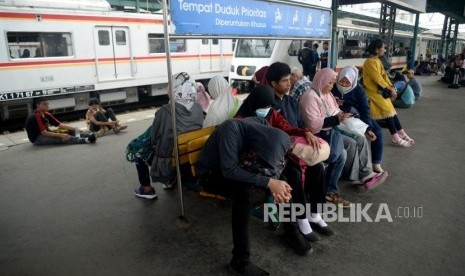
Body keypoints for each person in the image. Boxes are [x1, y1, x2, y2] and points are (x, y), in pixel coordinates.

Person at [196, 118, 293, 275]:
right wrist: (269, 182)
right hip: (211, 174)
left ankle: (292, 230)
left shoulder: (261, 126)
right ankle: (240, 262)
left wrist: (276, 185)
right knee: (242, 194)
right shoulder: (231, 129)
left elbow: (273, 162)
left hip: (240, 165)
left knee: (285, 181)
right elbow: (229, 170)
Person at [134, 72, 204, 199]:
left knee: (137, 151)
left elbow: (153, 139)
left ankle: (146, 188)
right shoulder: (198, 108)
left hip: (168, 161)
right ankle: (170, 181)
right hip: (188, 156)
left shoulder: (165, 111)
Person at [299, 68, 351, 207]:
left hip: (328, 133)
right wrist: (336, 119)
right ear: (321, 81)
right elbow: (313, 124)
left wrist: (340, 116)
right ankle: (327, 191)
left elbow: (334, 110)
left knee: (342, 154)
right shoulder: (310, 96)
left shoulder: (325, 94)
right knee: (338, 155)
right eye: (330, 83)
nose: (332, 87)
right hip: (315, 135)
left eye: (333, 83)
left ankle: (329, 190)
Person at [328, 66, 388, 187]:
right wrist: (333, 102)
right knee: (356, 140)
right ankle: (363, 174)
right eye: (342, 81)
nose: (344, 84)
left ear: (353, 81)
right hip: (337, 118)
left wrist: (367, 128)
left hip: (354, 116)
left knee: (375, 132)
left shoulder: (358, 90)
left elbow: (364, 110)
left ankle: (373, 166)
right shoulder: (330, 89)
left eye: (347, 82)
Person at [362, 39, 414, 148]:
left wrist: (392, 87)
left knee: (392, 112)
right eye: (383, 48)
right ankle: (396, 137)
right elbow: (378, 79)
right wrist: (391, 89)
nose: (385, 50)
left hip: (380, 92)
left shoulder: (377, 60)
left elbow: (384, 77)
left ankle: (401, 133)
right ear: (377, 49)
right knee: (389, 112)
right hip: (373, 93)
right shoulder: (369, 62)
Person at [25, 98, 96, 145]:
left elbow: (60, 125)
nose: (47, 106)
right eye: (44, 104)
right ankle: (85, 140)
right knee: (61, 138)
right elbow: (44, 133)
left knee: (66, 131)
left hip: (46, 133)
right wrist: (61, 135)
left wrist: (76, 129)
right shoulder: (36, 116)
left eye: (47, 104)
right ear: (38, 105)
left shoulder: (46, 114)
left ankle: (87, 135)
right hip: (37, 138)